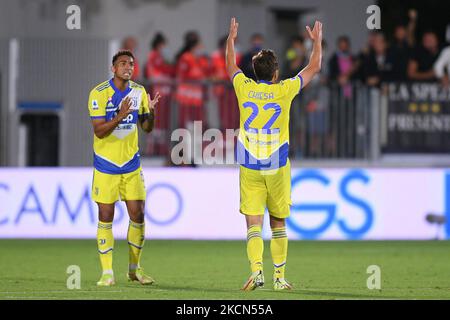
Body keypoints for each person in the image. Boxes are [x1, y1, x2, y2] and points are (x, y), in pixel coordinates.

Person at [226, 17, 322, 291]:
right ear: (276, 73)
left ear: (254, 71)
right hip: (277, 165)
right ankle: (279, 278)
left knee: (253, 223)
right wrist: (315, 43)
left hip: (250, 164)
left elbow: (229, 65)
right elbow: (314, 67)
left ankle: (257, 272)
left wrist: (231, 40)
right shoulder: (284, 90)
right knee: (278, 221)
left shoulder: (244, 87)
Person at [87, 50, 161, 286]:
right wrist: (120, 115)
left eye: (131, 64)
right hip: (106, 165)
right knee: (106, 215)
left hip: (131, 164)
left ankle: (134, 269)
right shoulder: (99, 94)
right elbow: (99, 130)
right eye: (122, 64)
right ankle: (107, 272)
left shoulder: (139, 92)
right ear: (113, 68)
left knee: (138, 214)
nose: (128, 67)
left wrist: (150, 110)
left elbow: (147, 128)